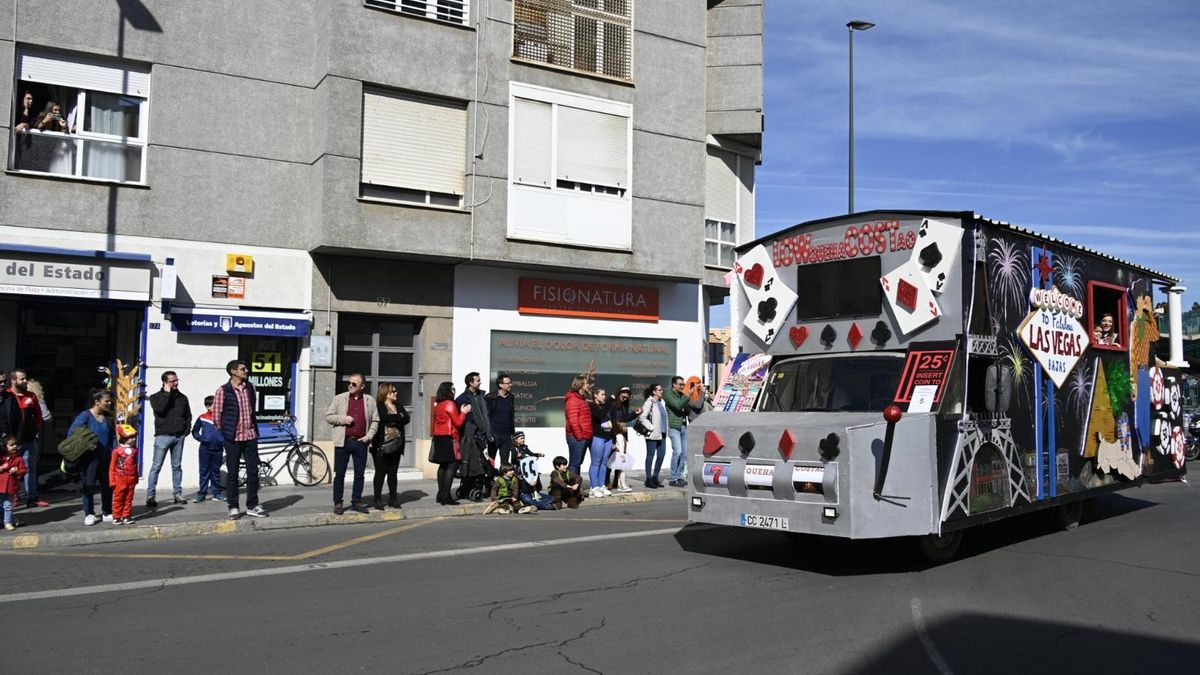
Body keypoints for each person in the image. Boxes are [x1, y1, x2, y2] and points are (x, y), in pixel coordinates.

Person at [212, 360, 268, 520]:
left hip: (250, 436)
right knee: (233, 474)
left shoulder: (250, 387)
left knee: (253, 472)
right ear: (233, 371)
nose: (247, 371)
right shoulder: (223, 390)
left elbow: (252, 410)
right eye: (243, 369)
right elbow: (217, 415)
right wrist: (226, 434)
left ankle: (252, 505)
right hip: (233, 438)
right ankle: (233, 506)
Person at [324, 373, 378, 515]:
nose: (350, 385)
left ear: (362, 386)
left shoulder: (369, 400)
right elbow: (328, 416)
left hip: (361, 442)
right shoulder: (339, 398)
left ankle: (357, 501)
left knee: (359, 474)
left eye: (354, 384)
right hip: (343, 442)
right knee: (340, 474)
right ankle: (338, 502)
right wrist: (343, 419)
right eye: (349, 383)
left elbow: (375, 420)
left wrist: (368, 436)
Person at [68, 388, 116, 526]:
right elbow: (72, 432)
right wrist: (86, 442)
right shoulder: (85, 416)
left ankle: (107, 511)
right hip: (89, 459)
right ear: (97, 402)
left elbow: (112, 436)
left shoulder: (108, 417)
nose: (109, 404)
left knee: (107, 485)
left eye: (109, 401)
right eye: (106, 401)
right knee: (88, 485)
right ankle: (89, 513)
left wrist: (114, 452)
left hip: (106, 457)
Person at [146, 370, 191, 507]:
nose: (175, 383)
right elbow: (160, 410)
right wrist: (167, 394)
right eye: (172, 381)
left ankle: (177, 494)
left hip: (179, 436)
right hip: (163, 436)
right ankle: (150, 496)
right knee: (156, 466)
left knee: (177, 466)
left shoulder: (182, 398)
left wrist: (186, 430)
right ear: (165, 383)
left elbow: (188, 415)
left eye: (176, 380)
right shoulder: (156, 397)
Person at [8, 369, 48, 508]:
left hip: (28, 439)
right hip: (11, 441)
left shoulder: (31, 396)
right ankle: (13, 497)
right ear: (13, 381)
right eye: (22, 379)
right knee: (11, 470)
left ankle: (32, 498)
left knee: (30, 469)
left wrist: (35, 429)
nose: (25, 381)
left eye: (25, 379)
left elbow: (38, 415)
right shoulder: (7, 396)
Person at [371, 383, 410, 510]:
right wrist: (398, 417)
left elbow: (407, 419)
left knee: (393, 473)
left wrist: (394, 418)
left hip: (396, 446)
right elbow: (383, 418)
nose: (396, 393)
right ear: (385, 394)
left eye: (395, 391)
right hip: (381, 446)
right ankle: (377, 499)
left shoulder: (398, 406)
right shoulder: (380, 406)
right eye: (393, 391)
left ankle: (393, 499)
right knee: (380, 473)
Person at [455, 372, 492, 498]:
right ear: (470, 383)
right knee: (471, 463)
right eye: (477, 380)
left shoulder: (481, 396)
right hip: (470, 437)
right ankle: (468, 488)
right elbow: (460, 420)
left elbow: (485, 416)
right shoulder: (462, 399)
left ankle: (478, 488)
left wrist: (488, 433)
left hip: (483, 436)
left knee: (482, 463)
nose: (480, 382)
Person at [431, 381, 468, 505]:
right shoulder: (450, 404)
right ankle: (446, 496)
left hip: (439, 437)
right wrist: (463, 412)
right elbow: (457, 422)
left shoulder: (439, 404)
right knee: (452, 465)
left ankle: (440, 494)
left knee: (442, 466)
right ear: (448, 390)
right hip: (449, 437)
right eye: (452, 389)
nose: (454, 391)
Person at [190, 395, 225, 503]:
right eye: (215, 405)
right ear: (208, 406)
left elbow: (227, 431)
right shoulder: (202, 417)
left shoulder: (222, 418)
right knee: (204, 471)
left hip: (218, 449)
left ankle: (217, 493)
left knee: (216, 472)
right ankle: (202, 494)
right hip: (205, 449)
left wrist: (222, 440)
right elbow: (195, 431)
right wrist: (202, 439)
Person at [606, 386, 637, 493]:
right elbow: (608, 419)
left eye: (628, 395)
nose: (626, 396)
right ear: (619, 393)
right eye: (625, 394)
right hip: (614, 433)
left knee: (620, 459)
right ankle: (606, 481)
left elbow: (626, 418)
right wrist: (613, 429)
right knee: (611, 459)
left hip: (622, 433)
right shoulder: (613, 404)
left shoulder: (623, 406)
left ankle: (616, 481)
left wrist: (634, 414)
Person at [515, 433, 555, 511]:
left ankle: (536, 505)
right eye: (521, 438)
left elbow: (531, 454)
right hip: (522, 477)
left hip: (533, 491)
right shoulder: (514, 449)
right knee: (527, 499)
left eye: (523, 438)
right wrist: (518, 456)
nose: (523, 440)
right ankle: (544, 506)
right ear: (516, 440)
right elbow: (513, 459)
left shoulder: (525, 447)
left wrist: (538, 454)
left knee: (552, 498)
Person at [109, 424, 140, 525]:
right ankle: (117, 516)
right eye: (130, 437)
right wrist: (112, 480)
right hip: (120, 478)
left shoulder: (135, 451)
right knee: (118, 497)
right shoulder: (116, 451)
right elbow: (112, 467)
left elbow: (135, 464)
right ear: (124, 438)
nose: (133, 439)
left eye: (134, 437)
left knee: (129, 498)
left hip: (131, 478)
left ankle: (126, 515)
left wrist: (136, 477)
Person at [587, 386, 615, 498]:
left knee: (604, 463)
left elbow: (611, 422)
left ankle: (601, 485)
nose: (604, 396)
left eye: (605, 395)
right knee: (596, 462)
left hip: (608, 437)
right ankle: (594, 487)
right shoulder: (592, 406)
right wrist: (610, 400)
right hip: (598, 437)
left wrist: (614, 439)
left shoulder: (606, 406)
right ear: (595, 395)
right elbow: (600, 414)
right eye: (602, 394)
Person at [663, 376, 691, 487]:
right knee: (677, 452)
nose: (682, 386)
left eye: (683, 384)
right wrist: (687, 396)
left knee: (684, 454)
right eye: (680, 384)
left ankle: (678, 476)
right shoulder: (668, 395)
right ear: (674, 384)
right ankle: (673, 478)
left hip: (683, 426)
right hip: (674, 426)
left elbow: (686, 408)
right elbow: (677, 406)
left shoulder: (681, 395)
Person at [639, 383, 668, 489]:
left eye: (661, 389)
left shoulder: (661, 402)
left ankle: (655, 477)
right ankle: (649, 479)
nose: (661, 391)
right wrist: (651, 428)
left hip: (662, 433)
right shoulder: (649, 402)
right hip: (653, 434)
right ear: (654, 392)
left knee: (661, 455)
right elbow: (642, 418)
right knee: (650, 456)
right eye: (659, 390)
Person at [563, 374, 593, 478]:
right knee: (575, 463)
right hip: (576, 437)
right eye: (586, 383)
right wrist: (580, 436)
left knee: (577, 463)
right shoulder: (573, 399)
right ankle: (573, 488)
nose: (588, 385)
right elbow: (573, 420)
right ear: (580, 385)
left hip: (583, 436)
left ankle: (576, 486)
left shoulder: (581, 398)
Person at [485, 373, 516, 467]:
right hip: (494, 434)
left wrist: (512, 432)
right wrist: (489, 433)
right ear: (500, 385)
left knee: (505, 462)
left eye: (510, 383)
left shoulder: (511, 397)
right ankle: (489, 480)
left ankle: (503, 481)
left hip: (507, 435)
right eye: (507, 383)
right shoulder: (490, 397)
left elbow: (511, 415)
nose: (510, 385)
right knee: (491, 460)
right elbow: (486, 416)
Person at [0, 436, 28, 530]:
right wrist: (3, 467)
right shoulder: (1, 458)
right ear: (5, 447)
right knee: (1, 506)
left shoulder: (18, 458)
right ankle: (8, 520)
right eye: (11, 445)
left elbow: (23, 470)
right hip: (1, 486)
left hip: (11, 487)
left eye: (15, 444)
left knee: (7, 505)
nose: (15, 446)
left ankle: (7, 522)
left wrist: (17, 472)